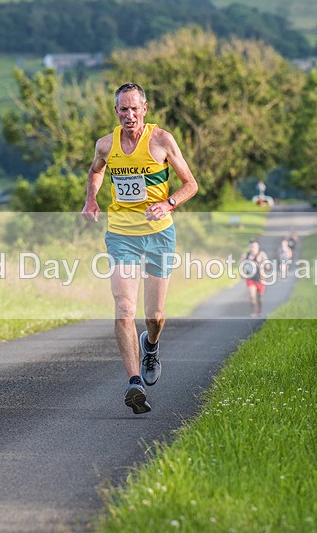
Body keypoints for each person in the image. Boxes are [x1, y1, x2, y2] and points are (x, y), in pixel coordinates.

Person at [81, 82, 199, 415]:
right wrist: (91, 200)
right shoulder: (106, 145)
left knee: (155, 316)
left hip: (159, 235)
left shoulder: (161, 140)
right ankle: (134, 382)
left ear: (144, 109)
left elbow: (191, 184)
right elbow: (95, 171)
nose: (129, 115)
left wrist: (169, 203)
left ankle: (151, 344)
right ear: (116, 111)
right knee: (124, 306)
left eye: (135, 109)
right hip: (121, 235)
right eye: (123, 109)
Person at [242, 239, 269, 318]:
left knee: (260, 296)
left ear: (258, 246)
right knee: (252, 295)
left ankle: (259, 310)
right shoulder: (246, 255)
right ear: (249, 247)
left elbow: (267, 265)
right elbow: (241, 265)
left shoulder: (262, 254)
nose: (253, 247)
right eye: (251, 246)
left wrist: (260, 265)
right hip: (250, 278)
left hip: (260, 278)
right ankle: (253, 312)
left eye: (254, 246)